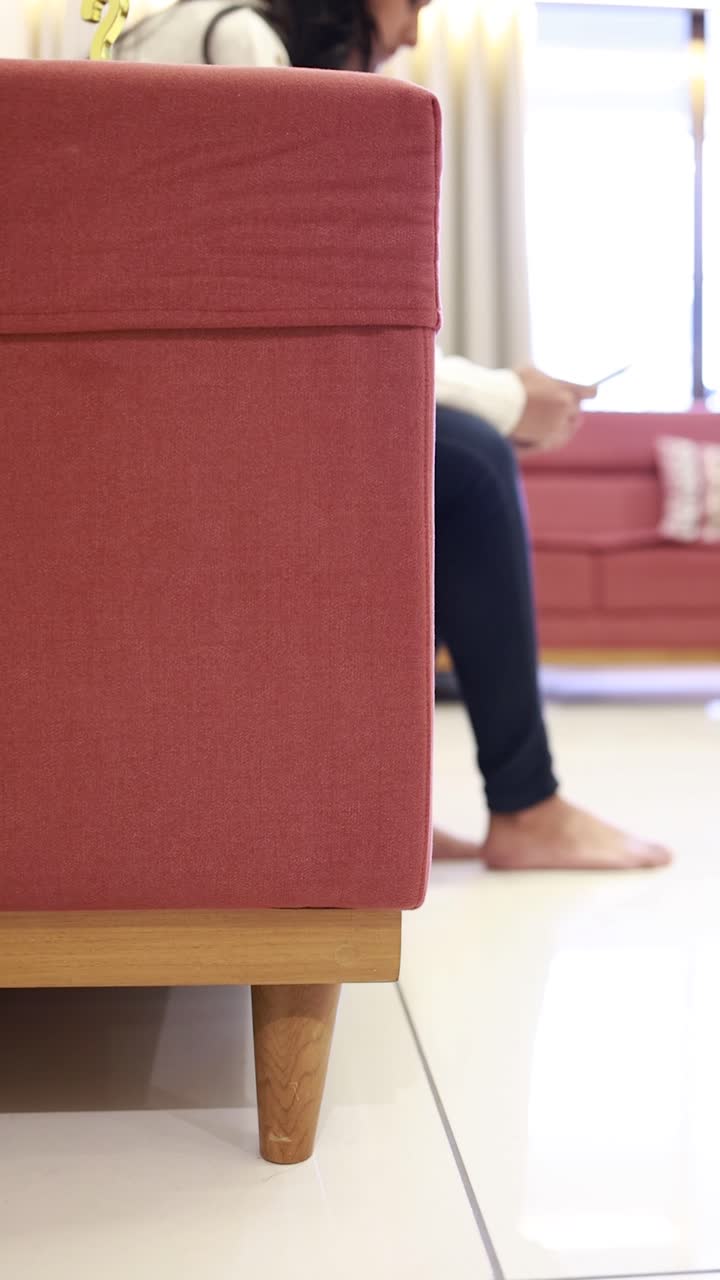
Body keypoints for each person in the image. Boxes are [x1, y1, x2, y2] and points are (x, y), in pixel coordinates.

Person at [115, 0, 672, 871]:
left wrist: (498, 397)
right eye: (413, 4)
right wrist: (505, 399)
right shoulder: (240, 42)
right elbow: (319, 308)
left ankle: (384, 808)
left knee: (452, 457)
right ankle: (526, 805)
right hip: (206, 417)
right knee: (473, 466)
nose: (412, 32)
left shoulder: (173, 33)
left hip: (170, 402)